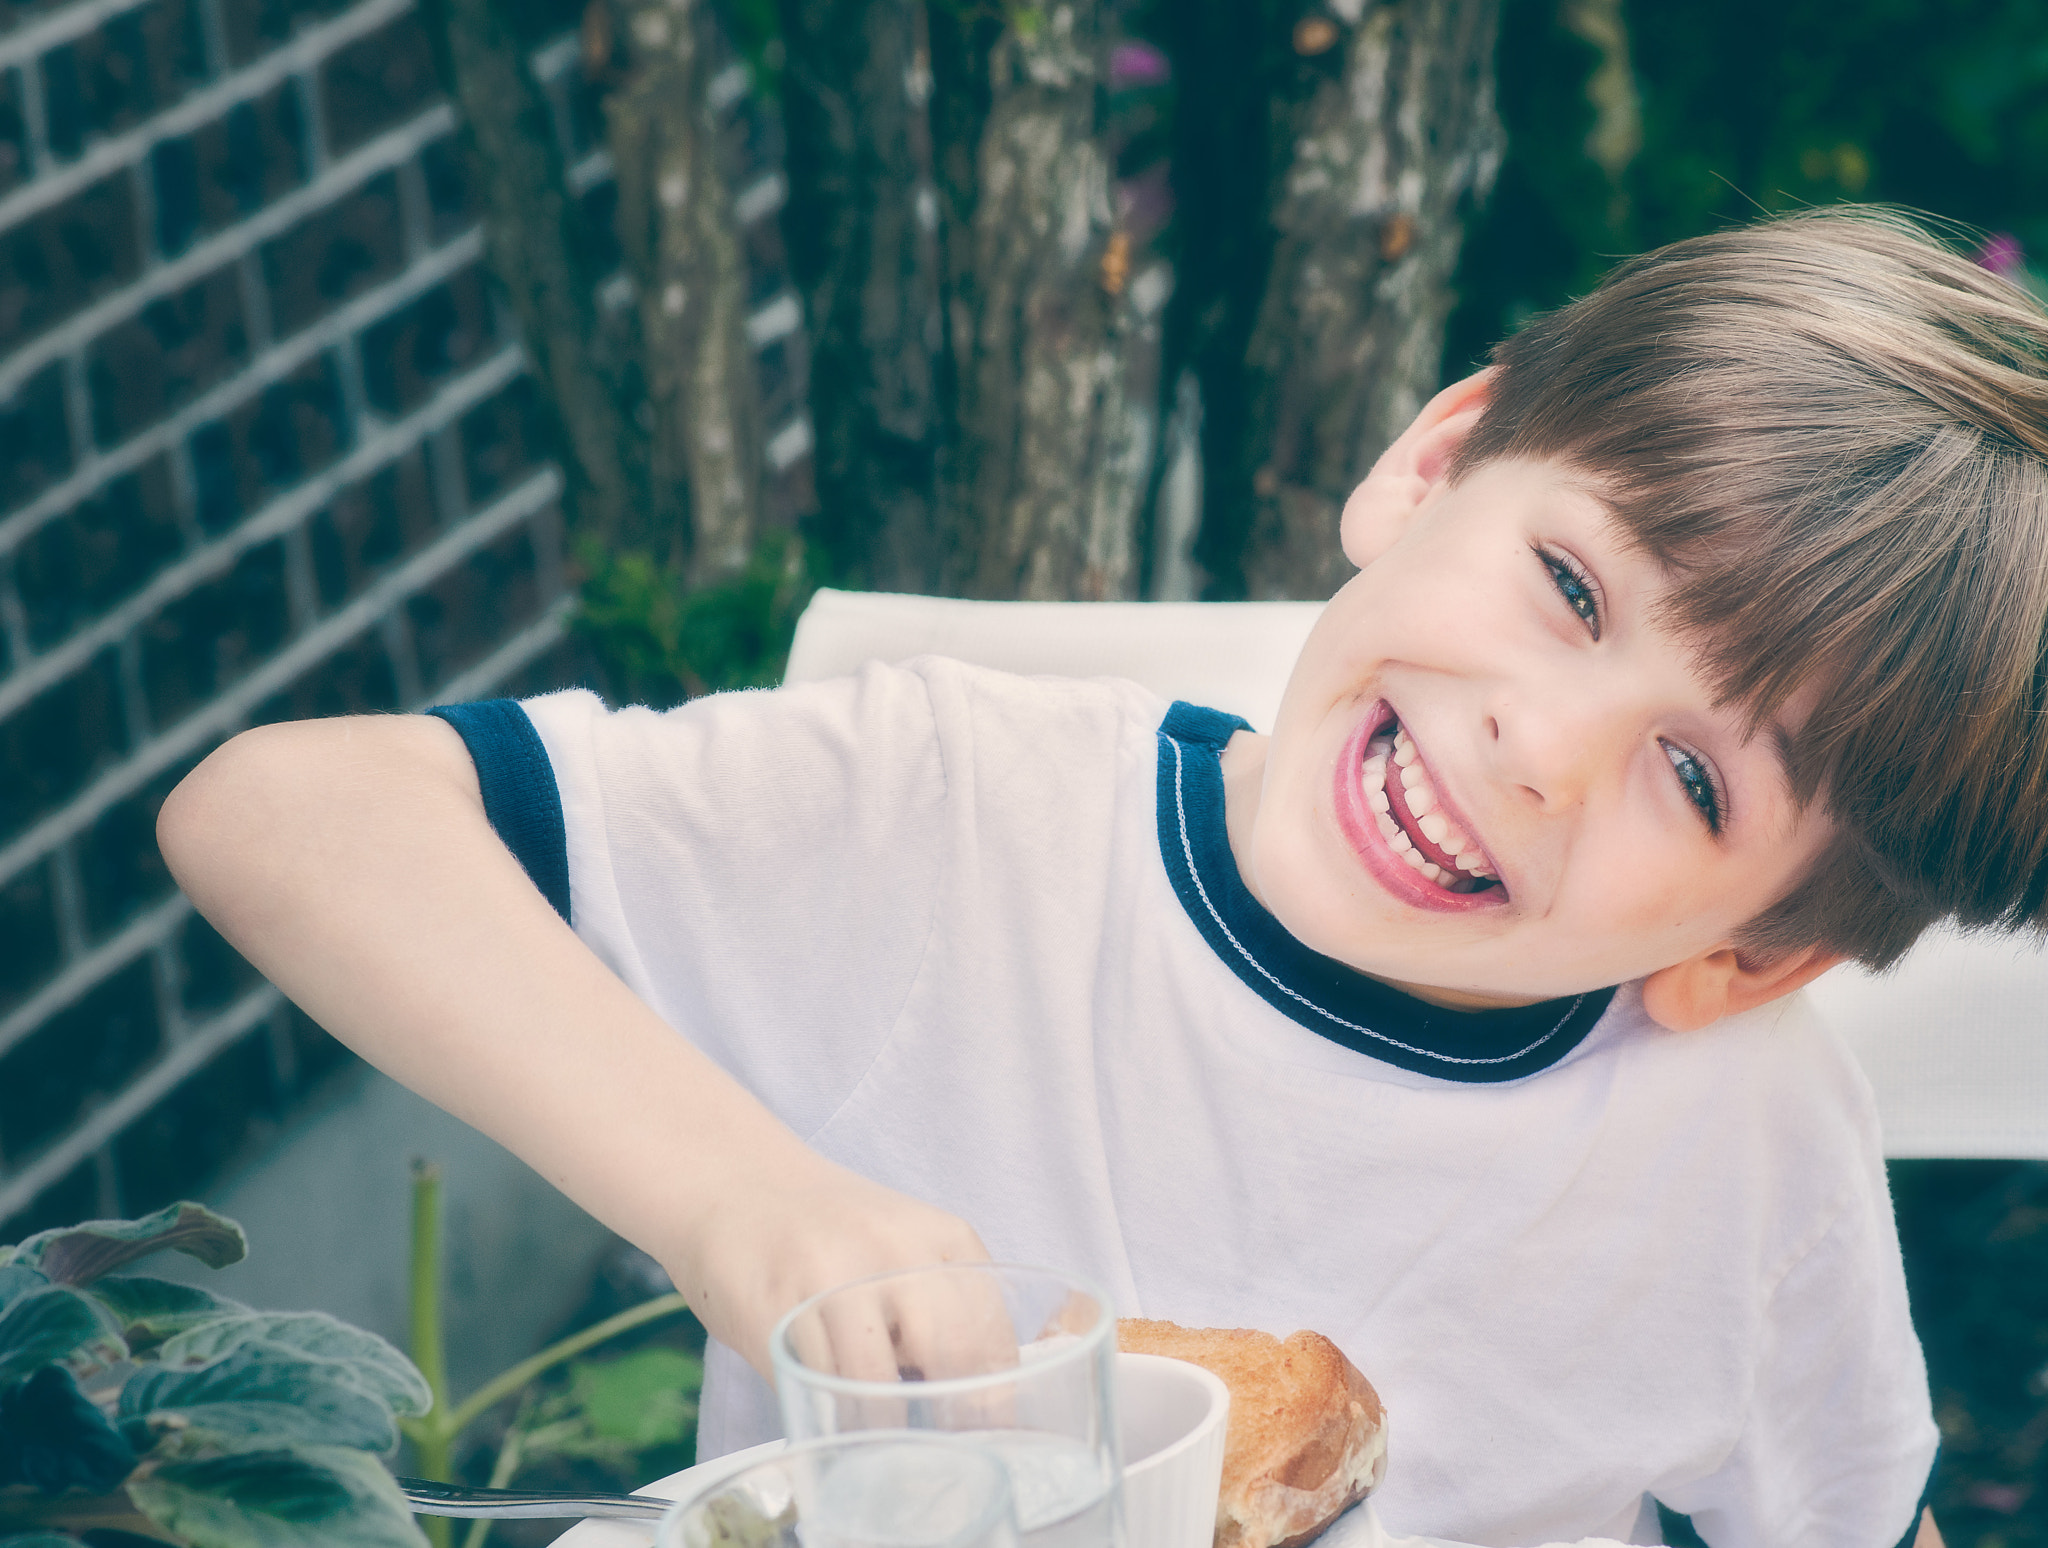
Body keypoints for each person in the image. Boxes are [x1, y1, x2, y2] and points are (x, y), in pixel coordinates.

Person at [159, 207, 2048, 1546]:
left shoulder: (1740, 1154)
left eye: (1699, 779)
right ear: (1436, 460)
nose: (1543, 749)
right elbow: (279, 810)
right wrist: (740, 1198)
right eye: (1571, 591)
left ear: (1758, 955)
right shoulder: (944, 811)